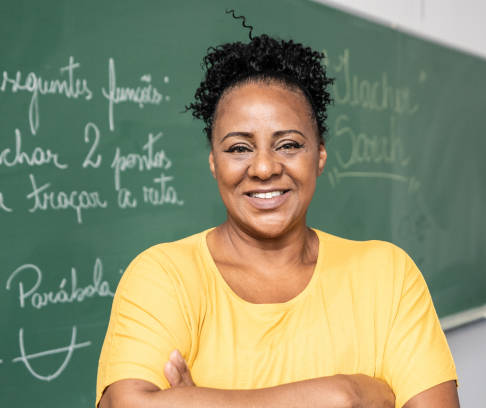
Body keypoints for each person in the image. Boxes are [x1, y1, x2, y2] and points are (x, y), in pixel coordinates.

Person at [96, 33, 459, 408]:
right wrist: (342, 395)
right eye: (239, 148)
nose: (265, 167)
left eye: (288, 145)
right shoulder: (163, 276)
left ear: (319, 155)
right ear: (213, 163)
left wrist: (199, 400)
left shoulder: (388, 275)